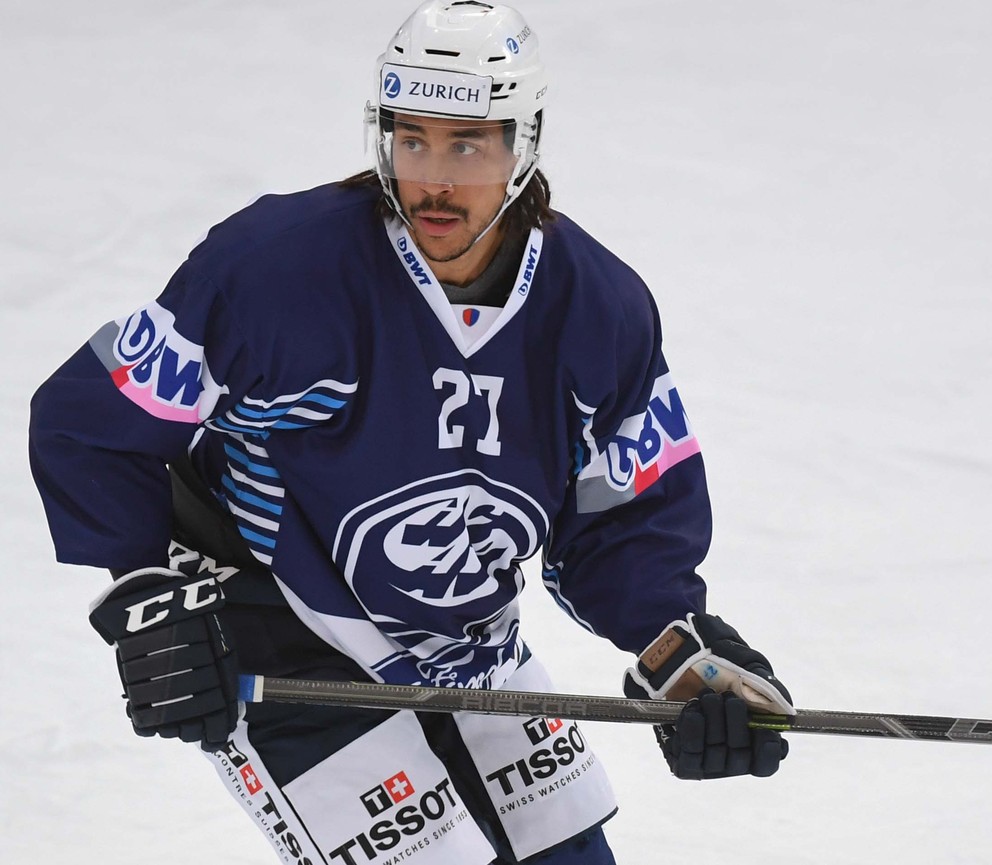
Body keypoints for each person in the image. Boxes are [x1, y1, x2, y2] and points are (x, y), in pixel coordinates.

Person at [28, 2, 792, 863]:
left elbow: (618, 519)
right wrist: (146, 602)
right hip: (280, 627)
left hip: (470, 640)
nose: (432, 176)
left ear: (524, 141)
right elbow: (89, 423)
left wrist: (675, 646)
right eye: (411, 137)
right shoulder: (279, 271)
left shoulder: (599, 311)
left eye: (467, 143)